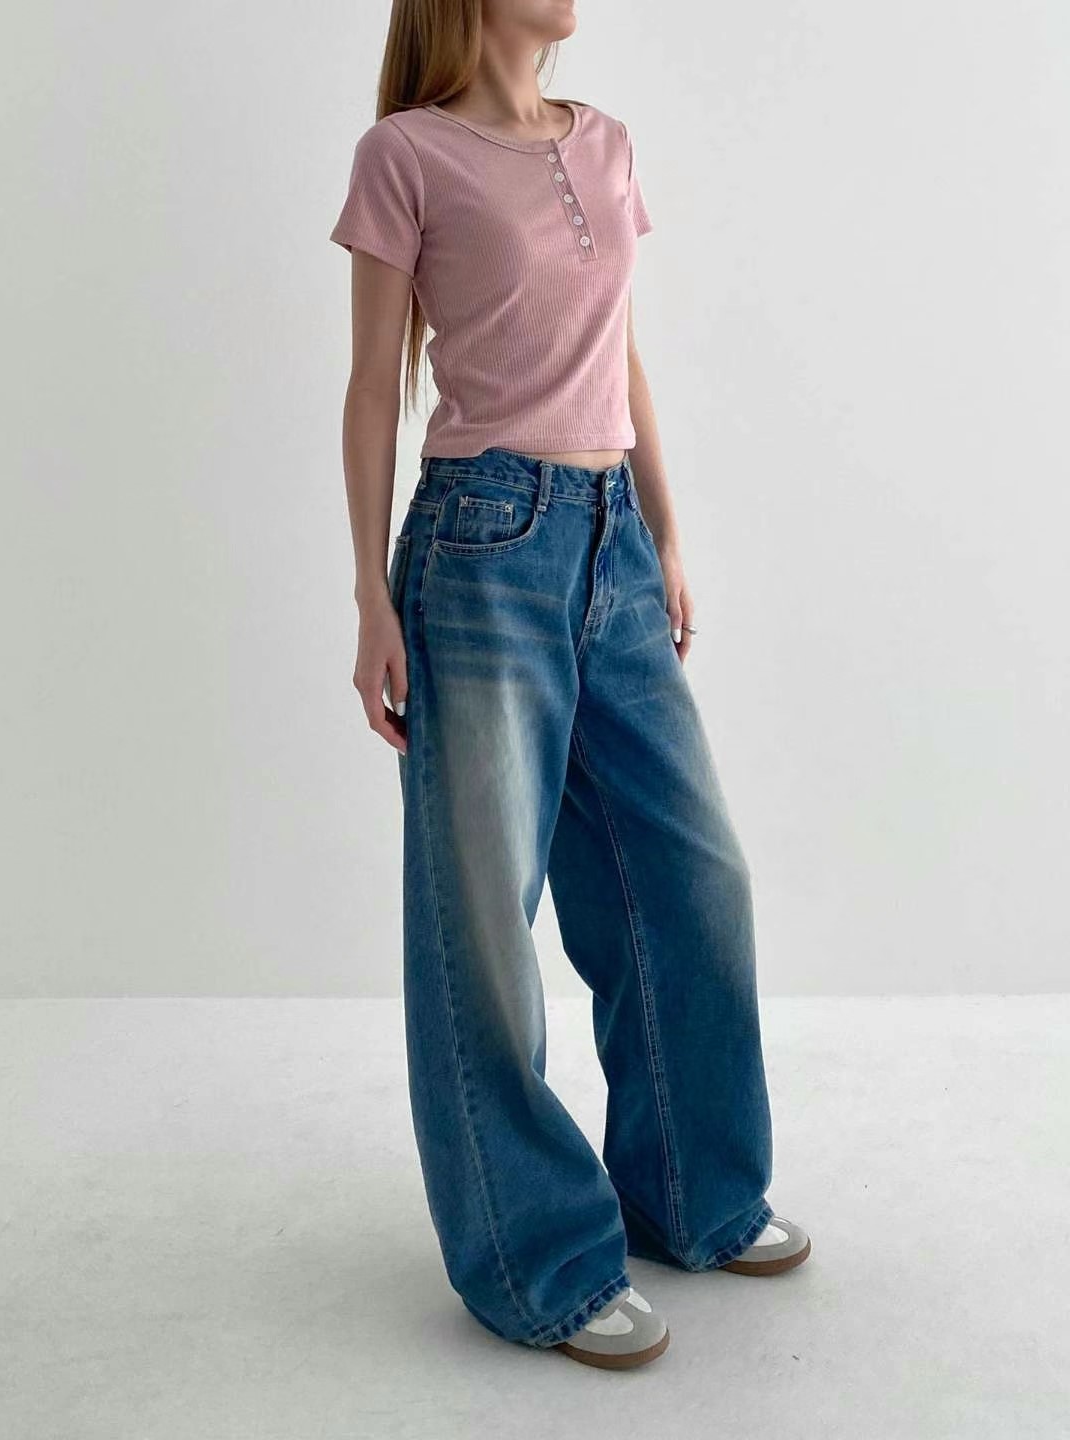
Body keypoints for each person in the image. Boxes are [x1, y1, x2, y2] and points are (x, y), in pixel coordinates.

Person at [329, 0, 810, 1370]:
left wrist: (664, 534)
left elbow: (622, 353)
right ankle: (535, 1261)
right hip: (480, 548)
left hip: (612, 548)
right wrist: (369, 596)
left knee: (696, 878)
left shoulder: (604, 143)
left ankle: (693, 1195)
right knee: (484, 925)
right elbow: (371, 388)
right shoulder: (405, 154)